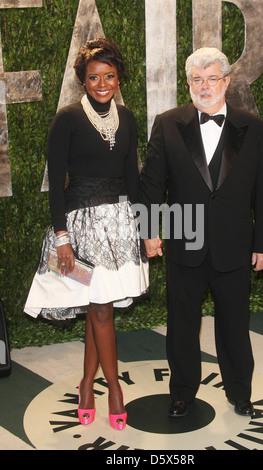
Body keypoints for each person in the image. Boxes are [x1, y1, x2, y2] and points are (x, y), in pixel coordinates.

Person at [139, 47, 263, 418]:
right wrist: (149, 230)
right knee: (182, 326)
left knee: (234, 325)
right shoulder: (167, 123)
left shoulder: (255, 128)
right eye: (197, 79)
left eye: (212, 78)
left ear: (227, 82)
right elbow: (151, 186)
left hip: (235, 245)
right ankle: (182, 392)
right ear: (188, 84)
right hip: (185, 241)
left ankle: (240, 393)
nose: (204, 86)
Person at [24, 38, 149, 429]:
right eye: (94, 77)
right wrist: (62, 238)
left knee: (102, 307)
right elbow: (57, 183)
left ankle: (85, 385)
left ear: (118, 78)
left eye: (109, 76)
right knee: (99, 309)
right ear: (82, 79)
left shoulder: (127, 119)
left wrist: (146, 229)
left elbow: (133, 177)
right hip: (77, 233)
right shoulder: (66, 119)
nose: (102, 83)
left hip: (120, 230)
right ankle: (113, 390)